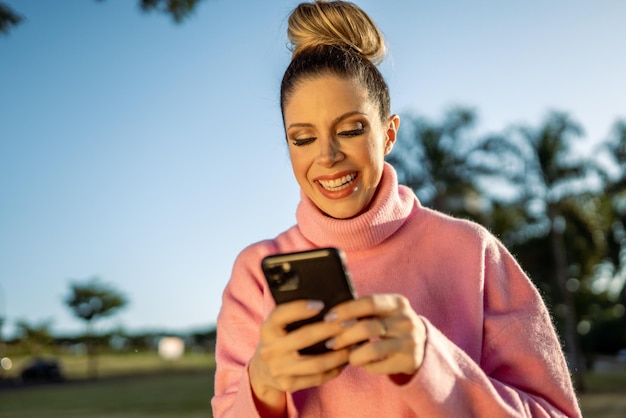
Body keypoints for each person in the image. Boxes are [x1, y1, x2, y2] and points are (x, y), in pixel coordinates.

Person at [211, 1, 581, 417]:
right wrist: (261, 384)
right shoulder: (256, 272)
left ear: (388, 134)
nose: (327, 156)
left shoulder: (472, 252)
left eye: (351, 129)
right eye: (303, 138)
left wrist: (431, 363)